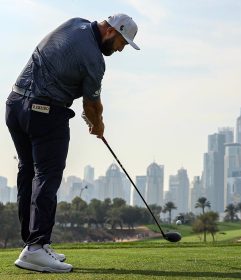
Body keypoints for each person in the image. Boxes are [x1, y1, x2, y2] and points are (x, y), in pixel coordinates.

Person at [5, 13, 140, 273]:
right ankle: (35, 247)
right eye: (123, 43)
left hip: (15, 106)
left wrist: (91, 117)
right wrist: (97, 125)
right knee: (47, 176)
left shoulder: (73, 22)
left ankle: (34, 244)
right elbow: (91, 104)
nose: (121, 49)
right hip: (45, 111)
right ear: (112, 31)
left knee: (28, 171)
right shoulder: (95, 60)